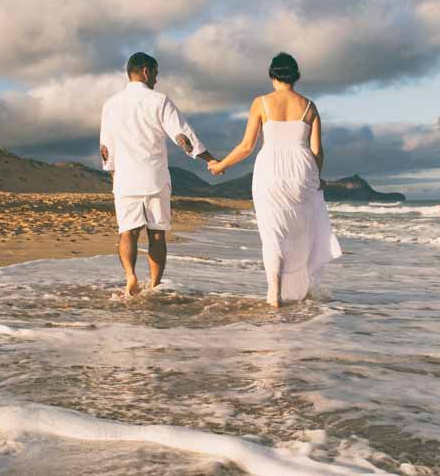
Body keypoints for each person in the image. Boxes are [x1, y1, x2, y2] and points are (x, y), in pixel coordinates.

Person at [208, 52, 342, 307]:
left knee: (273, 234)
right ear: (296, 76)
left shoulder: (261, 103)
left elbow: (247, 146)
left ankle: (274, 295)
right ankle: (300, 291)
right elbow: (317, 151)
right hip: (302, 170)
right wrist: (317, 178)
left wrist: (221, 165)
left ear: (272, 76)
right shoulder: (310, 107)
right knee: (298, 233)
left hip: (270, 169)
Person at [99, 52, 216, 296]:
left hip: (124, 179)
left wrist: (113, 176)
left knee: (127, 231)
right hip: (154, 177)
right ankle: (153, 285)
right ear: (145, 71)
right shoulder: (158, 100)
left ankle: (130, 276)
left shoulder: (110, 105)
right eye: (156, 73)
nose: (156, 79)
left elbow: (106, 147)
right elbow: (182, 136)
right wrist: (210, 158)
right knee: (157, 234)